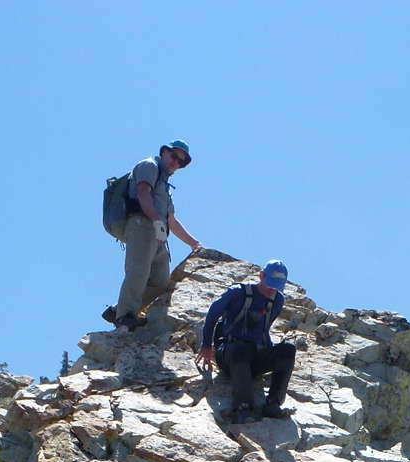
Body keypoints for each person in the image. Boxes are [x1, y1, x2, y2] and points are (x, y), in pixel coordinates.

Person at [103, 141, 202, 331]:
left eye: (181, 162)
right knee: (138, 271)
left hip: (158, 234)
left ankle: (119, 310)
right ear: (164, 152)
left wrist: (194, 244)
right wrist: (156, 220)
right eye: (174, 156)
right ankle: (125, 316)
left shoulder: (165, 185)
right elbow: (143, 192)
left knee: (161, 281)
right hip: (141, 225)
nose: (176, 162)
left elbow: (171, 220)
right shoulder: (149, 166)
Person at [196, 260, 296, 425]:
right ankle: (243, 408)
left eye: (276, 287)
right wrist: (206, 346)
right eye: (270, 284)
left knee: (288, 349)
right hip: (231, 354)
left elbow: (263, 329)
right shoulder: (237, 293)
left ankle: (273, 403)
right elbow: (212, 316)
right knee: (241, 348)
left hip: (254, 357)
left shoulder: (277, 300)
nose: (272, 290)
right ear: (261, 276)